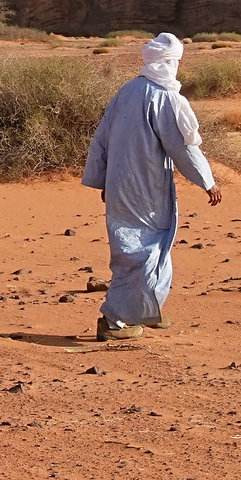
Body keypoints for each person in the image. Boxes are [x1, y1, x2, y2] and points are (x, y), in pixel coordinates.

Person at [81, 32, 222, 340]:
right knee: (144, 249)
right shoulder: (165, 97)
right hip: (146, 189)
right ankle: (113, 321)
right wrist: (207, 180)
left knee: (139, 246)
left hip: (120, 185)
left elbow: (102, 138)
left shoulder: (128, 90)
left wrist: (104, 180)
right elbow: (181, 146)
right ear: (169, 63)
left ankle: (146, 309)